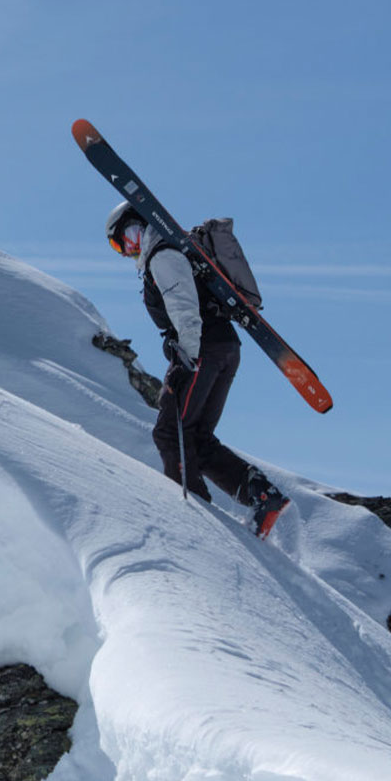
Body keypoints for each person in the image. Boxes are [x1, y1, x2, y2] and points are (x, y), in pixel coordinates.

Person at [106, 202, 289, 537]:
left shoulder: (164, 255)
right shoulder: (172, 253)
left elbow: (184, 307)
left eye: (125, 241)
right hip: (223, 348)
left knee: (170, 433)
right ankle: (261, 496)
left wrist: (185, 357)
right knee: (196, 437)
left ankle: (198, 522)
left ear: (137, 226)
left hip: (202, 349)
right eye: (120, 249)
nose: (128, 251)